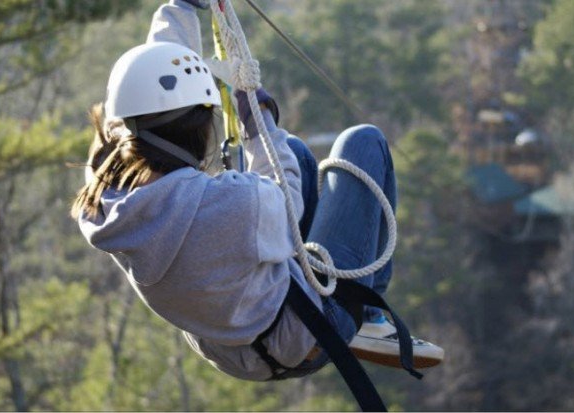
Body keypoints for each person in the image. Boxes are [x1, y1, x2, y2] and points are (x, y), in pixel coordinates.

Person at [72, 0, 443, 381]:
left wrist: (181, 8)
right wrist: (257, 120)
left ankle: (332, 291)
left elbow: (153, 83)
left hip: (231, 341)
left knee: (295, 152)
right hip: (305, 337)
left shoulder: (107, 188)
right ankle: (367, 317)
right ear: (202, 129)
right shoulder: (228, 205)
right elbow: (286, 198)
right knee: (362, 142)